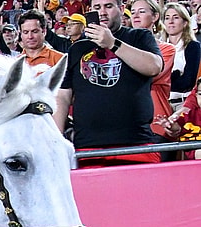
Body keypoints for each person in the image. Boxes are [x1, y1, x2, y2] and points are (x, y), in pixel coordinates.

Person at [54, 0, 163, 166]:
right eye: (97, 8)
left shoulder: (139, 36)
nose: (102, 12)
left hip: (136, 145)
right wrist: (55, 137)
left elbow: (154, 66)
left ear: (121, 9)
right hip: (87, 148)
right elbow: (63, 95)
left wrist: (112, 43)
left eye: (109, 6)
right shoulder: (77, 48)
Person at [131, 0, 176, 148]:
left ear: (155, 16)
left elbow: (150, 74)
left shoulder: (167, 49)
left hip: (157, 123)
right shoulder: (120, 48)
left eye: (142, 11)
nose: (135, 15)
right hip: (127, 125)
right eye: (132, 12)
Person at [163, 3, 201, 111]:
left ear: (185, 23)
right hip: (162, 101)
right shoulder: (159, 46)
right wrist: (176, 75)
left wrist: (166, 79)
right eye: (167, 18)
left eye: (175, 17)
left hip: (182, 104)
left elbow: (188, 81)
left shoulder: (193, 46)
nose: (170, 21)